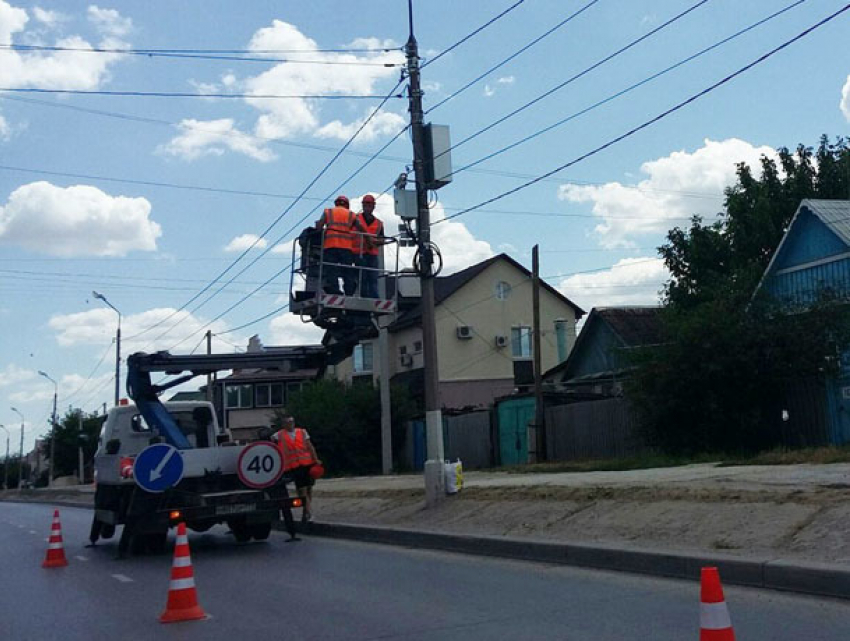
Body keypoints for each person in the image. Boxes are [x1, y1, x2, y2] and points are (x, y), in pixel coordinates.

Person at [274, 415, 321, 523]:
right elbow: (271, 443)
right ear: (283, 424)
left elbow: (310, 446)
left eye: (292, 421)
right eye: (288, 422)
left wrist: (316, 459)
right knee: (302, 490)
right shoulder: (279, 435)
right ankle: (309, 513)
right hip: (295, 467)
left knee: (309, 489)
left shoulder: (302, 432)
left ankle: (305, 513)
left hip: (307, 464)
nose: (290, 424)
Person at [316, 195, 355, 295]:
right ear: (347, 204)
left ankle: (334, 290)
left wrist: (322, 230)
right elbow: (359, 228)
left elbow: (319, 226)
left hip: (331, 246)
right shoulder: (351, 214)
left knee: (331, 270)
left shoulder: (328, 212)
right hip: (346, 248)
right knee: (347, 271)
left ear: (336, 203)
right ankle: (349, 292)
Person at [353, 194, 385, 298]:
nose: (367, 206)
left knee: (373, 278)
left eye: (369, 204)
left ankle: (374, 299)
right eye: (365, 204)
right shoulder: (355, 219)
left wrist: (374, 242)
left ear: (373, 206)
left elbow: (382, 239)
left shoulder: (379, 223)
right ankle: (365, 297)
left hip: (372, 254)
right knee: (362, 278)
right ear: (362, 205)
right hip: (358, 253)